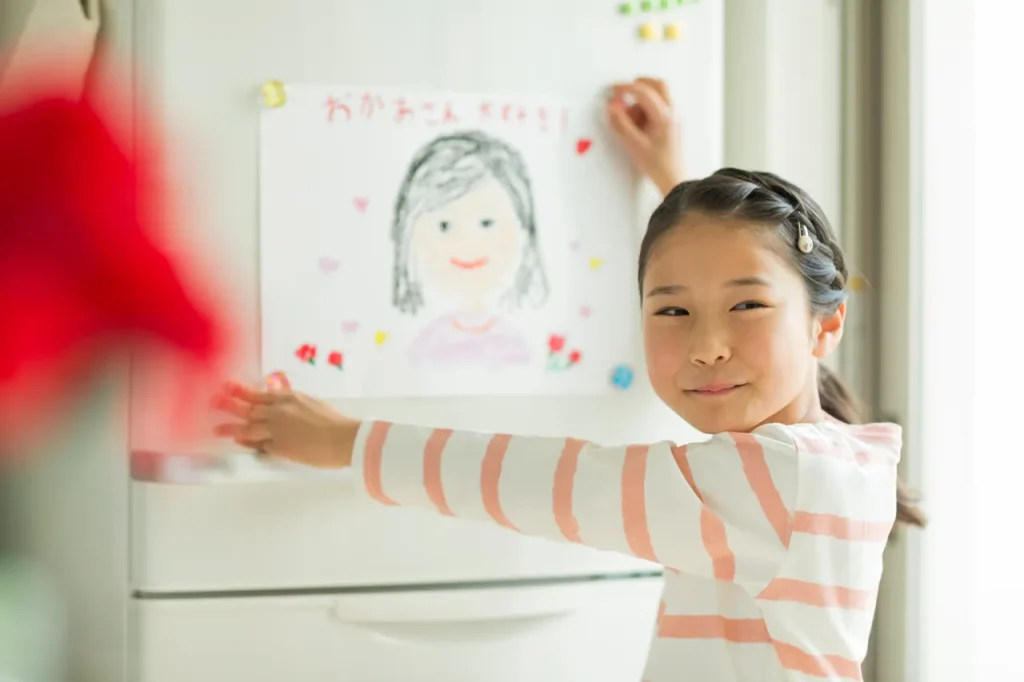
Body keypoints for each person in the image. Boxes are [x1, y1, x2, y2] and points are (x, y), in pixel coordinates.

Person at [213, 78, 926, 682]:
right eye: (672, 308)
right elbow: (736, 270)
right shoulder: (824, 458)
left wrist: (345, 440)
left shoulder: (779, 479)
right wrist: (675, 180)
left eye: (747, 306)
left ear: (825, 325)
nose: (707, 346)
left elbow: (554, 482)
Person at [392, 131, 549, 367]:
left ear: (525, 233)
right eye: (444, 226)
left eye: (487, 223)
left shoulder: (523, 344)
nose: (467, 242)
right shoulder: (425, 345)